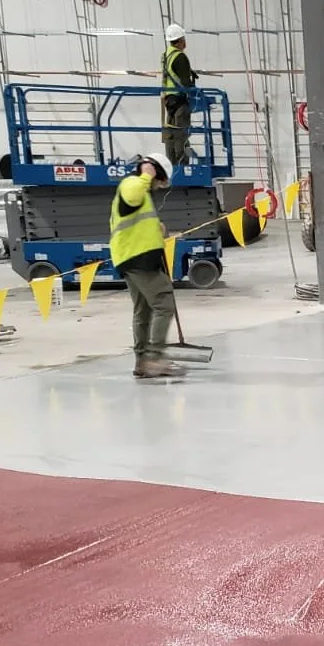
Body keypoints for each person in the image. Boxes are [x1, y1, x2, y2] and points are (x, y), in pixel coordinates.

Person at [110, 153, 185, 379]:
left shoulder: (140, 191)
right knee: (164, 303)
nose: (159, 186)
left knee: (143, 310)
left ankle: (142, 361)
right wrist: (146, 175)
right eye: (159, 180)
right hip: (139, 258)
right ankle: (154, 358)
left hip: (130, 257)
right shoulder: (133, 183)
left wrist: (157, 229)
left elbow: (134, 221)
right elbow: (132, 196)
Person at [161, 23, 198, 164]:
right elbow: (184, 82)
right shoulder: (180, 57)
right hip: (180, 100)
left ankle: (170, 164)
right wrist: (193, 89)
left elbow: (170, 75)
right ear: (181, 40)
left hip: (168, 99)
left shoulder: (166, 55)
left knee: (170, 133)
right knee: (181, 134)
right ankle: (182, 166)